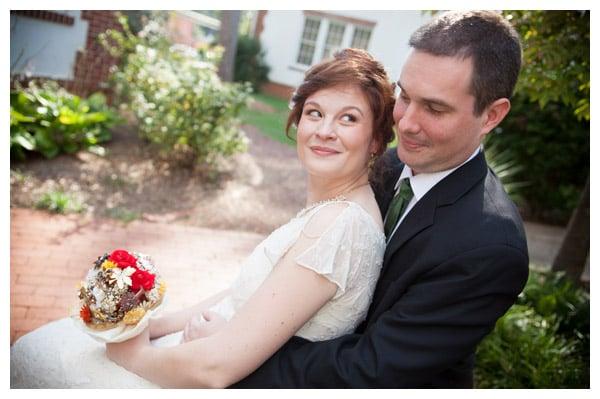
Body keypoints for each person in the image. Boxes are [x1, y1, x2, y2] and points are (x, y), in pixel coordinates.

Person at [10, 48, 396, 388]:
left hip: (206, 372)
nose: (324, 131)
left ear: (376, 140)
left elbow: (214, 369)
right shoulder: (334, 210)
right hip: (199, 348)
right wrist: (149, 324)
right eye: (314, 113)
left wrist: (130, 355)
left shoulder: (340, 227)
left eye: (348, 119)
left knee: (35, 352)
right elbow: (254, 291)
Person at [229, 10, 530, 388]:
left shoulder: (490, 247)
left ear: (492, 115)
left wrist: (237, 350)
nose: (405, 123)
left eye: (435, 108)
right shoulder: (384, 164)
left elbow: (370, 371)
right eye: (405, 95)